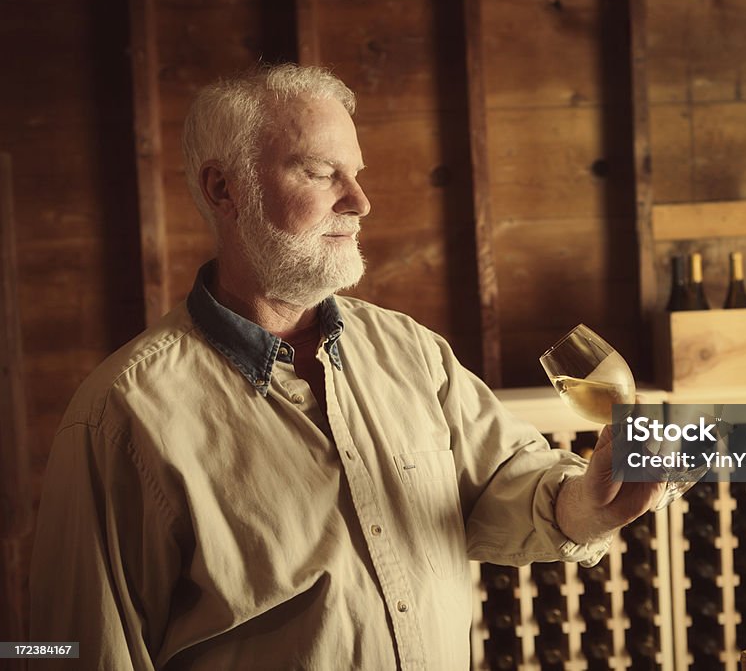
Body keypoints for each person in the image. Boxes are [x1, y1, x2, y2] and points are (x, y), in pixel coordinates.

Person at [29, 64, 663, 670]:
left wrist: (589, 506)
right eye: (320, 172)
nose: (359, 201)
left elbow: (503, 484)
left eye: (355, 173)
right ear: (224, 189)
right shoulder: (122, 413)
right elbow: (81, 652)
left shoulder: (411, 351)